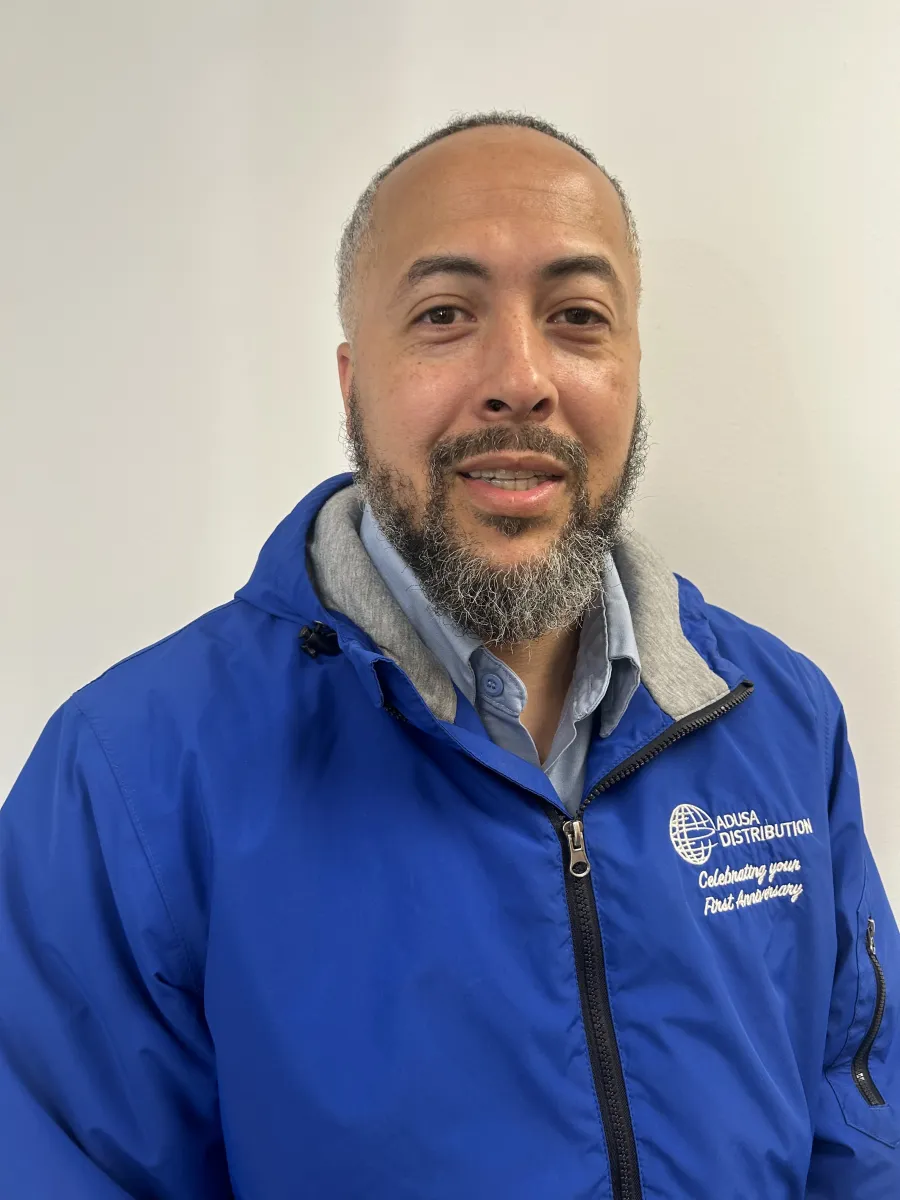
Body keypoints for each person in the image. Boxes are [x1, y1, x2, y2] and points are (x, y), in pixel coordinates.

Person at [0, 110, 897, 1200]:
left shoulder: (781, 720)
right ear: (349, 385)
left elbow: (861, 1134)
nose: (520, 377)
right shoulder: (131, 776)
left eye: (577, 317)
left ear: (631, 370)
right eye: (443, 315)